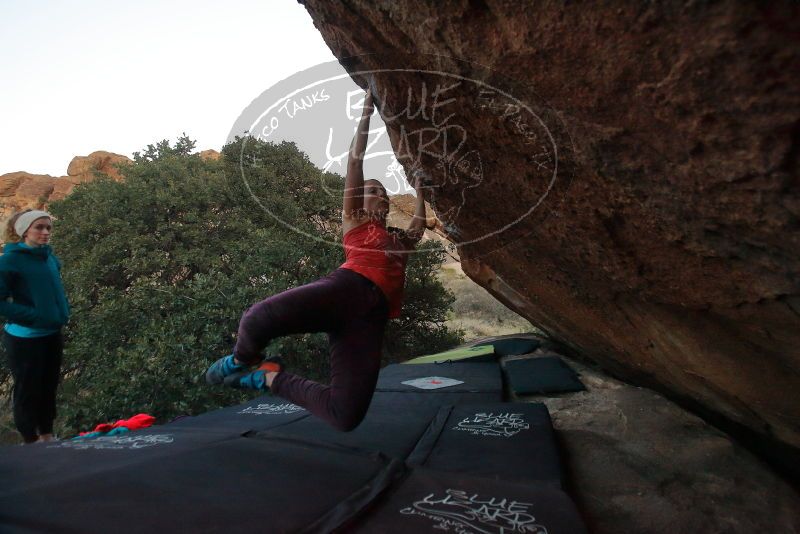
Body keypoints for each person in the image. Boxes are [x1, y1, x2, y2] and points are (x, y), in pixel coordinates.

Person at [206, 90, 428, 431]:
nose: (379, 193)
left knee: (345, 415)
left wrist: (422, 191)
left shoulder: (399, 242)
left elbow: (418, 225)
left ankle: (267, 380)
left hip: (370, 320)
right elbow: (356, 162)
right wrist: (366, 114)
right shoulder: (355, 222)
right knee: (256, 319)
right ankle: (240, 361)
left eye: (383, 191)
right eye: (372, 190)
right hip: (346, 289)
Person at [0, 209, 70, 444]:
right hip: (25, 337)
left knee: (48, 387)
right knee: (28, 390)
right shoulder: (10, 260)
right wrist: (33, 316)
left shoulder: (49, 258)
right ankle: (29, 440)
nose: (45, 232)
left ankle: (47, 435)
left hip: (51, 333)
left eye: (48, 227)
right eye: (39, 227)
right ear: (24, 230)